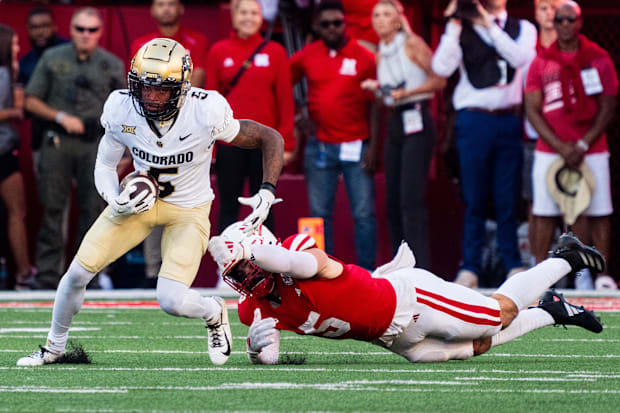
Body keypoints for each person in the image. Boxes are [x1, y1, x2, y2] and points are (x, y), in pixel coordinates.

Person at [16, 37, 285, 367]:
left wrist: (267, 189)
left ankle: (213, 311)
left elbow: (269, 137)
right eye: (144, 87)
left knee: (170, 300)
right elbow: (104, 164)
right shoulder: (120, 107)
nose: (152, 97)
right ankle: (54, 347)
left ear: (182, 87)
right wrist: (115, 199)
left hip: (189, 210)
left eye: (162, 89)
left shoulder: (206, 110)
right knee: (75, 275)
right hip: (140, 204)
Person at [208, 224, 604, 364]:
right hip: (392, 338)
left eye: (244, 264)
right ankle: (552, 311)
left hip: (411, 299)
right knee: (477, 346)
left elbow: (303, 266)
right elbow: (272, 355)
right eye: (236, 272)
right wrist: (259, 355)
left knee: (496, 315)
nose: (245, 276)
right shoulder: (253, 306)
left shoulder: (295, 252)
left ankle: (564, 258)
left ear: (260, 250)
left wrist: (251, 250)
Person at [431, 0, 537, 287]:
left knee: (507, 198)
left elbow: (520, 59)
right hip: (474, 119)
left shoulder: (523, 28)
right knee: (474, 196)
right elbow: (441, 66)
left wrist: (489, 26)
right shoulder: (462, 28)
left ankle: (513, 263)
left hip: (508, 119)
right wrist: (453, 24)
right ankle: (470, 267)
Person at [24, 7, 126, 290]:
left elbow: (128, 109)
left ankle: (89, 276)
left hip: (97, 143)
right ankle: (47, 277)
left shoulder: (111, 63)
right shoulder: (53, 58)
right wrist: (59, 116)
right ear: (71, 30)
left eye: (92, 30)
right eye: (80, 29)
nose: (85, 35)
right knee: (53, 209)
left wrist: (127, 152)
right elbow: (30, 100)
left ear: (100, 32)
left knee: (94, 211)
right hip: (58, 140)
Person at [524, 1, 618, 289]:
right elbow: (532, 109)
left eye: (569, 20)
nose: (563, 25)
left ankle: (593, 274)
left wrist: (582, 143)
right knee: (543, 211)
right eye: (559, 20)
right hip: (550, 148)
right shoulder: (541, 61)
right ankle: (541, 278)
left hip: (592, 147)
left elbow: (608, 104)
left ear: (579, 23)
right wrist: (561, 146)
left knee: (597, 210)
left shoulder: (598, 58)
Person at [290, 0, 379, 270]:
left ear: (345, 23)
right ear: (317, 26)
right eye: (325, 24)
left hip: (357, 143)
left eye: (337, 23)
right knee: (319, 215)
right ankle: (324, 273)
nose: (331, 28)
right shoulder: (308, 54)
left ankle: (368, 273)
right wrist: (297, 115)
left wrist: (374, 145)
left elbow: (375, 103)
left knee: (363, 214)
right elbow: (282, 80)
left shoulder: (363, 56)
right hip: (320, 145)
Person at [361, 0, 446, 268]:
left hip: (417, 114)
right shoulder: (381, 51)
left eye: (387, 14)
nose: (381, 19)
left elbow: (439, 79)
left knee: (411, 199)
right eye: (377, 15)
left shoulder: (411, 43)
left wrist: (406, 92)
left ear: (398, 19)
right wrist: (380, 89)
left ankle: (421, 269)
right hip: (396, 117)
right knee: (393, 199)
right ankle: (400, 267)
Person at [207, 0, 295, 234]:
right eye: (243, 12)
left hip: (264, 144)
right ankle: (225, 266)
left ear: (261, 17)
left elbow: (285, 101)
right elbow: (210, 104)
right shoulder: (218, 51)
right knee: (228, 208)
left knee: (265, 206)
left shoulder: (275, 52)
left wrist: (286, 142)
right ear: (234, 17)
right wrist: (211, 148)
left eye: (253, 12)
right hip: (229, 142)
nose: (248, 17)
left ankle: (268, 266)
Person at [521, 0, 567, 271]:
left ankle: (575, 270)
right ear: (535, 13)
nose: (550, 14)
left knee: (574, 204)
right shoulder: (527, 51)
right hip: (534, 139)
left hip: (572, 142)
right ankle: (535, 267)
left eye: (555, 8)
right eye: (543, 8)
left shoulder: (577, 49)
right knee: (536, 203)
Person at [0, 25, 35, 290]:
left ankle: (23, 272)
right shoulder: (4, 73)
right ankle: (23, 273)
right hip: (4, 150)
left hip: (6, 151)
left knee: (17, 212)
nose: (17, 49)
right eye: (13, 44)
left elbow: (20, 110)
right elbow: (17, 112)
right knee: (16, 213)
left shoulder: (13, 73)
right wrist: (12, 111)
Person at [18, 7, 68, 168]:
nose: (40, 32)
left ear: (55, 26)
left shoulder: (72, 51)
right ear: (27, 29)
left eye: (45, 26)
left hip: (80, 139)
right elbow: (24, 111)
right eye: (35, 27)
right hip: (43, 140)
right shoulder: (25, 64)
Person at [131, 0, 208, 88]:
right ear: (152, 10)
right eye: (160, 5)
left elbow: (199, 75)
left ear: (181, 8)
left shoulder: (198, 41)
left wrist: (178, 99)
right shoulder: (140, 45)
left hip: (188, 98)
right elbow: (135, 79)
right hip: (151, 98)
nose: (166, 9)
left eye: (171, 4)